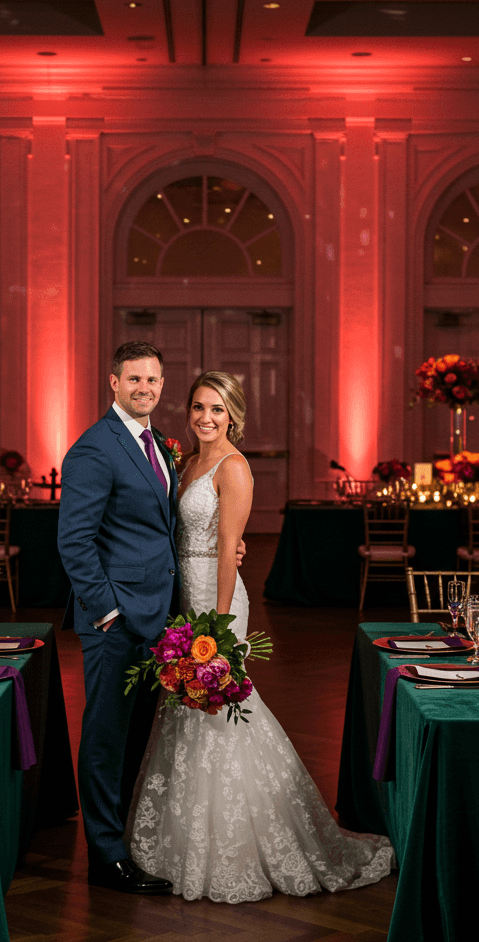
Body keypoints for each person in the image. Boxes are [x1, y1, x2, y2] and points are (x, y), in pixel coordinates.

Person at [126, 371, 394, 902]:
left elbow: (229, 548)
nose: (206, 418)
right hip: (182, 598)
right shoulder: (185, 463)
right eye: (199, 407)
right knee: (182, 709)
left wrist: (220, 630)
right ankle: (180, 838)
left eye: (218, 410)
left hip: (215, 602)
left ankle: (237, 845)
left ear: (234, 416)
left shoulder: (235, 467)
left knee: (222, 707)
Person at [57, 341, 178, 894]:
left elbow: (155, 526)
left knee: (132, 738)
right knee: (106, 736)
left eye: (152, 380)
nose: (145, 389)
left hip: (155, 617)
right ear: (113, 383)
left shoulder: (157, 447)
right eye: (134, 380)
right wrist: (106, 610)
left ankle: (126, 837)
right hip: (116, 620)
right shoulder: (94, 449)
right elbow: (74, 541)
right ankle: (105, 856)